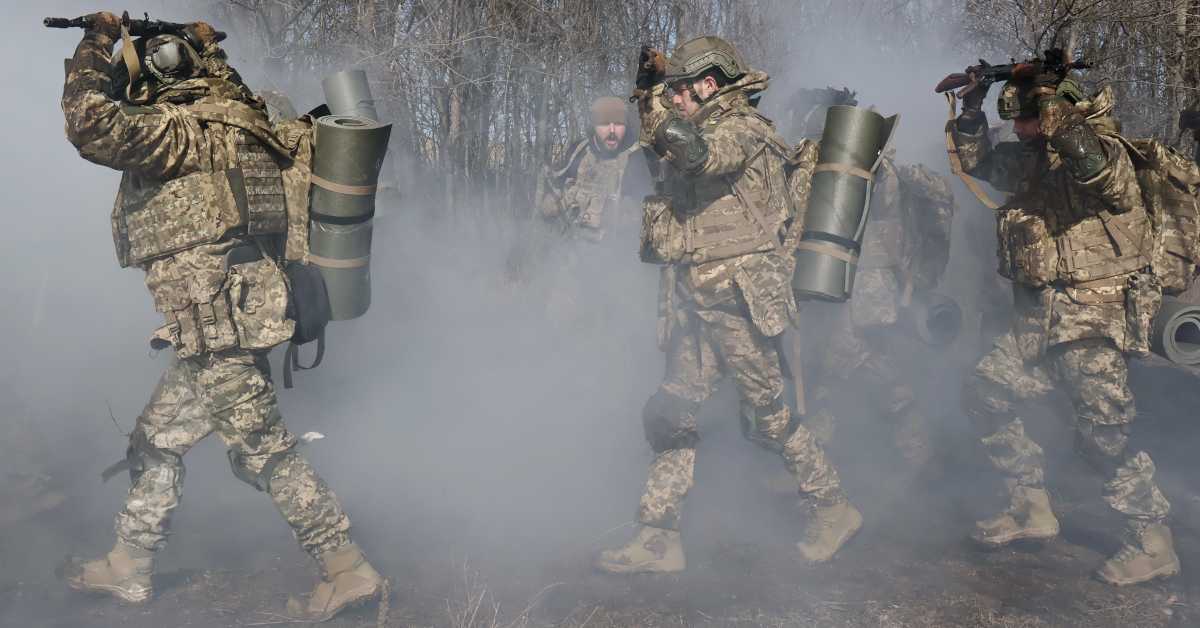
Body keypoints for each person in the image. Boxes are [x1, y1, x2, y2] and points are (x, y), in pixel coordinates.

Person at [58, 12, 384, 619]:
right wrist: (205, 46)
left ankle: (346, 567)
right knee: (155, 440)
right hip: (236, 309)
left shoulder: (180, 132)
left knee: (264, 450)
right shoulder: (250, 124)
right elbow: (229, 88)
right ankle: (129, 563)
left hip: (216, 318)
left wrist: (96, 40)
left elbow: (89, 124)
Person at [594, 36, 861, 574]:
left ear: (709, 85)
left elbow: (696, 155)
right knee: (671, 411)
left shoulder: (745, 130)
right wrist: (648, 96)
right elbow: (666, 147)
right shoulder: (701, 123)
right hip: (699, 296)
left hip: (739, 297)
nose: (677, 102)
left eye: (682, 93)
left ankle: (832, 506)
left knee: (767, 417)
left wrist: (656, 104)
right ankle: (657, 537)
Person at [950, 62, 1178, 585]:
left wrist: (1052, 100)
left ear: (1059, 111)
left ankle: (1152, 539)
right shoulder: (1034, 160)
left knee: (1104, 435)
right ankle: (1031, 506)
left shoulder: (1102, 150)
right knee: (984, 390)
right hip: (1041, 315)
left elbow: (1101, 176)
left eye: (1031, 118)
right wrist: (971, 108)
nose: (1024, 130)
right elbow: (981, 163)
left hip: (1093, 314)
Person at [787, 87, 956, 467]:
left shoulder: (877, 169)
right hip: (833, 282)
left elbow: (882, 205)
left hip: (867, 290)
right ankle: (814, 463)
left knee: (856, 362)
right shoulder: (827, 164)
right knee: (825, 368)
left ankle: (918, 448)